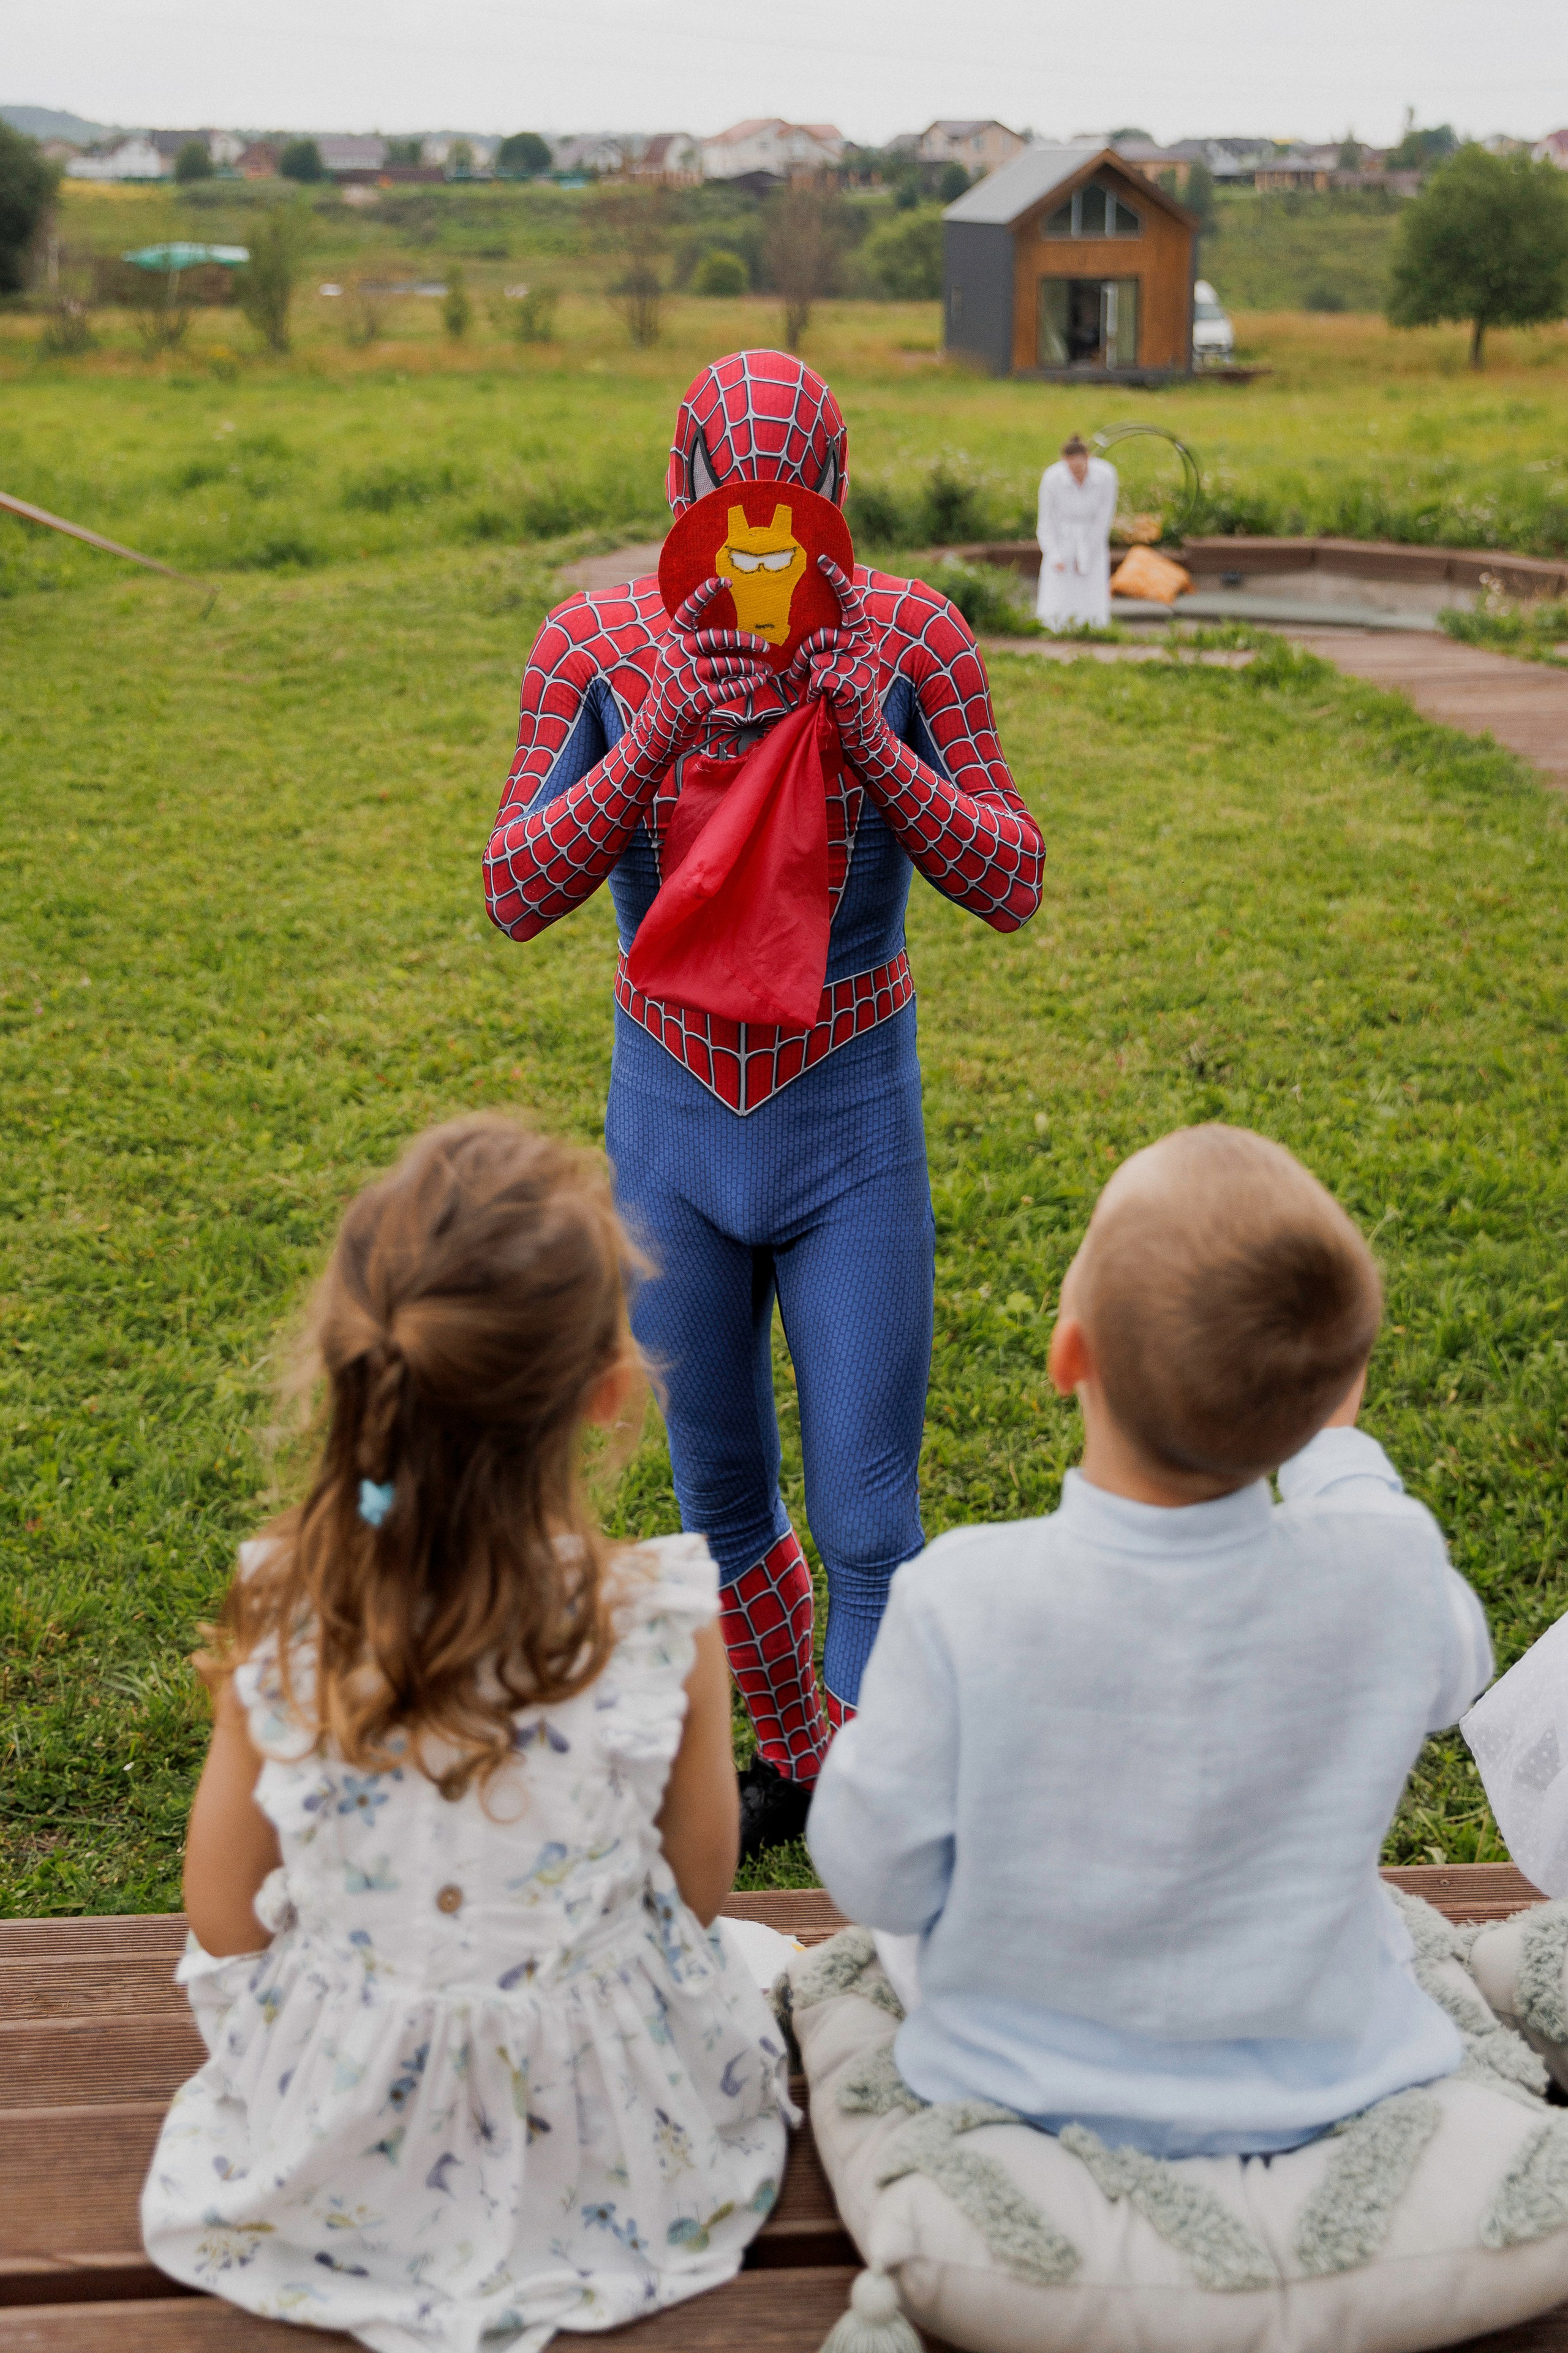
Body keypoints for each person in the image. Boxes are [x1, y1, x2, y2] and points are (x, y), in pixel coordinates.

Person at [484, 350, 1044, 1857]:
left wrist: (872, 739)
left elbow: (1010, 876)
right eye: (730, 502)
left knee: (869, 1511)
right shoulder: (597, 644)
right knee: (716, 1495)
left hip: (851, 1112)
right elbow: (514, 887)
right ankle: (798, 1758)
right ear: (682, 490)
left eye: (786, 505)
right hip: (668, 1117)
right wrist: (656, 732)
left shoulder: (910, 634)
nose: (755, 536)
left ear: (832, 499)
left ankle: (866, 1812)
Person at [141, 1116, 793, 2352]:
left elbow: (225, 1911)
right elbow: (697, 1890)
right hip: (601, 2136)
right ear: (609, 1392)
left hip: (337, 2129)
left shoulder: (287, 1614)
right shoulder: (656, 1622)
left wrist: (356, 1991)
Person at [808, 1124, 1493, 2158]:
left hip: (1014, 2085)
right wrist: (1340, 1458)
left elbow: (875, 1881)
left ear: (1067, 1350)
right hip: (1332, 2081)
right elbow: (1460, 1666)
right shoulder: (1389, 1569)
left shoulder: (961, 1595)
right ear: (1330, 1403)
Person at [1036, 434, 1118, 629]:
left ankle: (1093, 629)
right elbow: (1046, 519)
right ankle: (1056, 629)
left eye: (1080, 468)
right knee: (1059, 589)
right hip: (1061, 537)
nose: (1077, 473)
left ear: (1088, 458)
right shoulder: (1052, 477)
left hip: (1093, 538)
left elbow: (1104, 518)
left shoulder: (1106, 475)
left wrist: (1088, 552)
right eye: (1072, 468)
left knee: (1091, 586)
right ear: (1065, 461)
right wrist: (1053, 553)